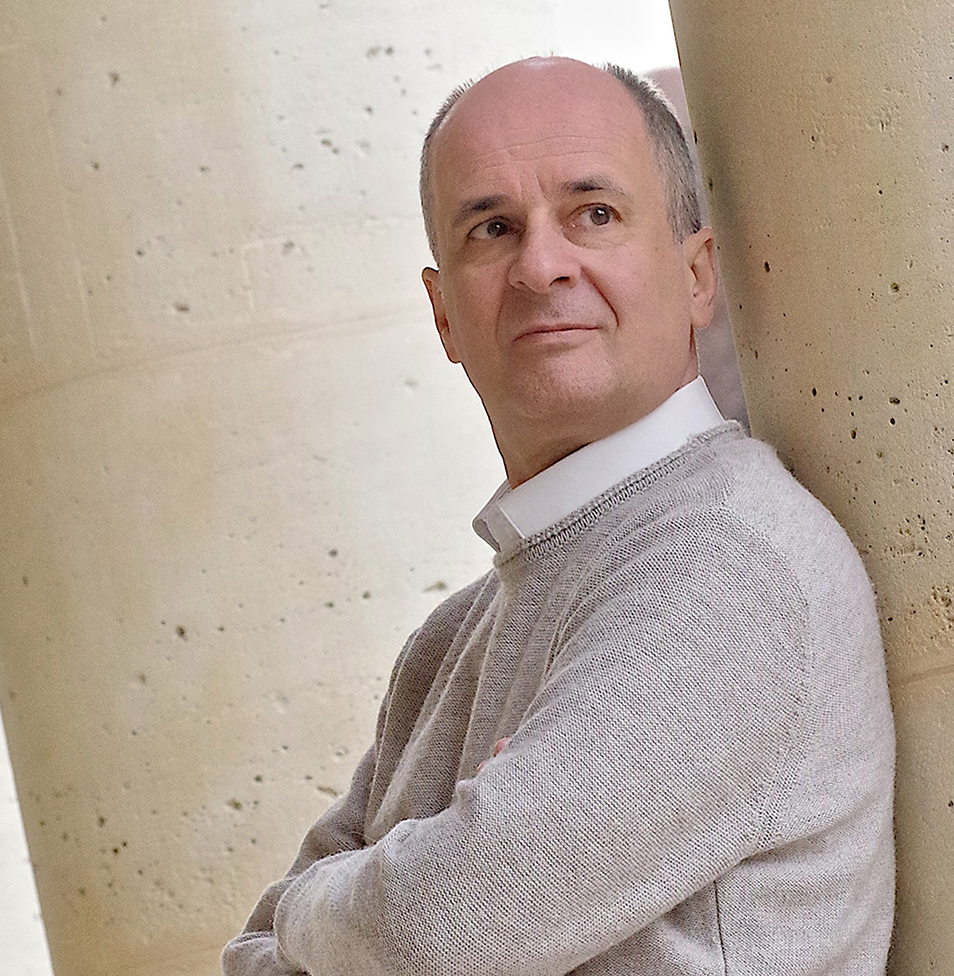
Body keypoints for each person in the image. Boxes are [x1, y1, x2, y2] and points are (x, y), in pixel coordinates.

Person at [221, 56, 895, 976]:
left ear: (697, 274)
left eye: (595, 214)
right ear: (444, 316)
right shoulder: (444, 645)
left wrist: (324, 908)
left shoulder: (729, 563)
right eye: (492, 229)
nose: (541, 266)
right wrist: (406, 893)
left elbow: (439, 927)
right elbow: (255, 959)